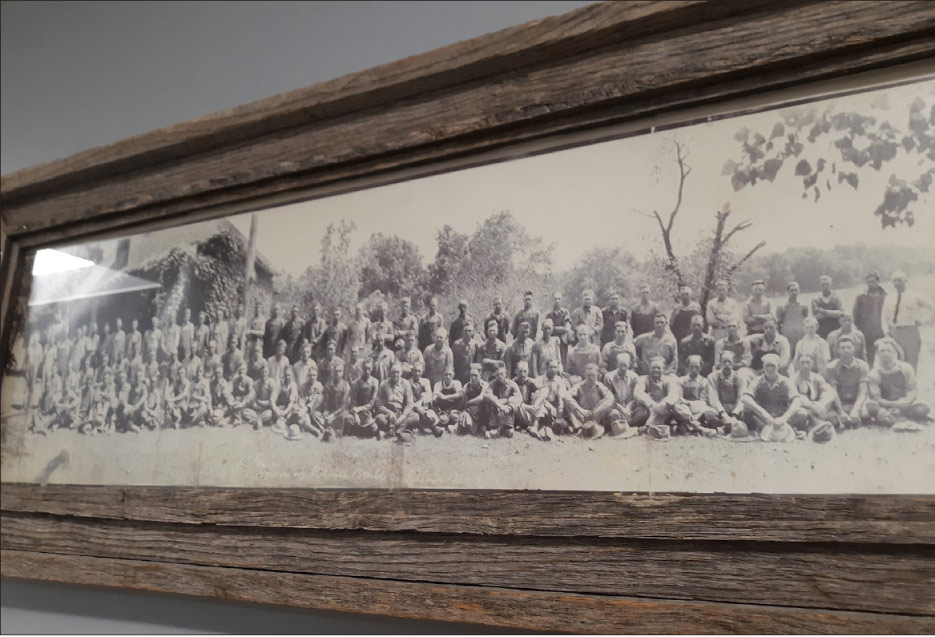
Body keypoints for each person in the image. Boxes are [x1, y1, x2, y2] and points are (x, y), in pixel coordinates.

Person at [865, 337, 931, 427]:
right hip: (886, 406)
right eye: (882, 351)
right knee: (882, 416)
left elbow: (912, 389)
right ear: (877, 353)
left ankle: (900, 417)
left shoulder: (905, 368)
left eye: (889, 350)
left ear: (894, 352)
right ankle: (903, 418)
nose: (886, 354)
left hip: (904, 403)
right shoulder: (874, 373)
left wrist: (906, 403)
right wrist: (894, 405)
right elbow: (876, 398)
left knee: (924, 407)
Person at [740, 353, 801, 439]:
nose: (770, 369)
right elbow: (745, 398)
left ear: (778, 366)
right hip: (763, 418)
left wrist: (784, 418)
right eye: (767, 366)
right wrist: (764, 414)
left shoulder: (786, 381)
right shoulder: (758, 380)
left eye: (773, 366)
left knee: (802, 413)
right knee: (746, 410)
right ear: (763, 367)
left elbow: (797, 401)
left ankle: (783, 428)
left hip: (782, 416)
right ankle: (762, 428)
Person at [882, 270, 933, 371]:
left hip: (911, 332)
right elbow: (884, 317)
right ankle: (900, 385)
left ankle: (912, 385)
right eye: (894, 281)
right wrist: (886, 333)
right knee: (896, 361)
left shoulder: (915, 295)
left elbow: (932, 306)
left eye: (899, 280)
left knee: (911, 362)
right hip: (895, 333)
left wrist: (925, 321)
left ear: (906, 281)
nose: (896, 283)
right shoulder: (889, 297)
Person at [823, 335, 871, 430]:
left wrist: (856, 409)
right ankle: (846, 417)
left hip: (856, 401)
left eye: (849, 347)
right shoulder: (831, 367)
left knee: (871, 409)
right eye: (843, 348)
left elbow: (863, 391)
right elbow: (833, 392)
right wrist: (840, 411)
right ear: (838, 350)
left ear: (854, 348)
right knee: (830, 417)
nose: (846, 350)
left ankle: (855, 416)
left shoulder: (863, 365)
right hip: (841, 402)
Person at [787, 352, 837, 441]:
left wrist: (821, 404)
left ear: (812, 364)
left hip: (816, 408)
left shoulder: (817, 377)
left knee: (833, 417)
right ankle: (812, 427)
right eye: (802, 362)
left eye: (808, 362)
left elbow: (829, 392)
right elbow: (795, 397)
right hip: (801, 408)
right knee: (802, 414)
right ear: (797, 364)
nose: (805, 365)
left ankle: (815, 427)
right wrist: (810, 405)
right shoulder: (792, 380)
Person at [632, 356, 684, 437]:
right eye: (653, 368)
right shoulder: (643, 379)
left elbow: (673, 393)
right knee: (643, 414)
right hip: (648, 408)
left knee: (678, 409)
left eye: (658, 368)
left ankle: (647, 427)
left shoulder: (669, 380)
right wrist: (652, 404)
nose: (656, 370)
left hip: (664, 409)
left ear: (663, 369)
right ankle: (658, 426)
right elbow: (638, 393)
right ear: (649, 369)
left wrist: (664, 403)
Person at [566, 363, 615, 439]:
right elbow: (566, 396)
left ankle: (594, 427)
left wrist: (597, 411)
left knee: (614, 413)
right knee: (569, 405)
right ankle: (580, 427)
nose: (591, 378)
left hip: (597, 415)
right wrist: (581, 410)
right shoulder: (579, 386)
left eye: (593, 375)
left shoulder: (599, 386)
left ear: (598, 375)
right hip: (582, 415)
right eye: (589, 375)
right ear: (584, 375)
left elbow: (610, 398)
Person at [705, 350, 746, 434]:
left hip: (735, 410)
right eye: (724, 362)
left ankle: (723, 429)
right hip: (720, 410)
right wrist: (724, 415)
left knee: (748, 414)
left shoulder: (740, 377)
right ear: (720, 363)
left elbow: (741, 398)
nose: (727, 365)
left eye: (729, 362)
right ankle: (732, 426)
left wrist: (735, 415)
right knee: (709, 414)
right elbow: (714, 399)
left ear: (734, 363)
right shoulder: (712, 377)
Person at [374, 363, 419, 439]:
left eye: (398, 372)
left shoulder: (406, 384)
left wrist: (403, 416)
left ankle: (394, 430)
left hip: (401, 412)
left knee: (416, 417)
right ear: (390, 373)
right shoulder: (383, 385)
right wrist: (389, 413)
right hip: (388, 414)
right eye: (393, 372)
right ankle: (401, 429)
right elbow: (379, 404)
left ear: (401, 373)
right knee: (379, 418)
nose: (395, 374)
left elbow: (409, 403)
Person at [677, 355, 720, 435]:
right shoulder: (681, 380)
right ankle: (700, 428)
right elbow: (679, 398)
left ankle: (689, 426)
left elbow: (703, 400)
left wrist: (689, 403)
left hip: (699, 409)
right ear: (687, 367)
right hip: (685, 409)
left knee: (710, 413)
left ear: (701, 368)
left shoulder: (704, 382)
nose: (694, 370)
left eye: (697, 367)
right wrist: (685, 404)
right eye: (691, 367)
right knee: (677, 407)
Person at [853, 269, 887, 366]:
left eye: (873, 281)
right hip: (866, 334)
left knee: (884, 355)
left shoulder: (886, 295)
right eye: (868, 282)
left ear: (878, 281)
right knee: (868, 358)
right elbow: (856, 316)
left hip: (883, 332)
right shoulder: (861, 297)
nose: (870, 284)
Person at [483, 362, 522, 438]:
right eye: (497, 375)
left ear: (505, 374)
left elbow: (518, 398)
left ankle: (500, 429)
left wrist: (508, 406)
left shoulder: (512, 384)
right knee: (490, 401)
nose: (500, 376)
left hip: (509, 413)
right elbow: (487, 395)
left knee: (512, 401)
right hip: (495, 411)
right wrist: (499, 404)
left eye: (502, 374)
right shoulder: (492, 384)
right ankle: (497, 429)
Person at [603, 351, 640, 431]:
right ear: (616, 364)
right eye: (621, 365)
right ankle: (624, 425)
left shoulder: (634, 377)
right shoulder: (609, 377)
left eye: (625, 365)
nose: (623, 368)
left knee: (642, 412)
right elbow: (609, 398)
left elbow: (634, 396)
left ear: (629, 364)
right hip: (615, 407)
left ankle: (624, 425)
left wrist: (628, 408)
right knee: (613, 414)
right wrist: (621, 409)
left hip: (630, 408)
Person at [348, 357, 381, 438]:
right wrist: (355, 414)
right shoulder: (355, 383)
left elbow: (372, 403)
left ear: (372, 369)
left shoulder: (375, 382)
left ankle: (361, 431)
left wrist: (359, 409)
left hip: (368, 412)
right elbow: (353, 402)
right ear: (362, 369)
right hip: (357, 413)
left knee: (374, 427)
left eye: (369, 369)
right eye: (365, 368)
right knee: (348, 421)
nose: (367, 371)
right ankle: (359, 431)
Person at [320, 359, 353, 441]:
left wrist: (333, 415)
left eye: (339, 371)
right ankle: (326, 429)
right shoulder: (328, 384)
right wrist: (326, 412)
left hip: (340, 412)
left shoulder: (346, 385)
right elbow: (326, 401)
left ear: (342, 373)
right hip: (330, 411)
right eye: (336, 371)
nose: (337, 373)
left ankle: (333, 429)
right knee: (316, 415)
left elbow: (343, 406)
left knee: (346, 418)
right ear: (333, 372)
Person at [408, 361, 442, 436]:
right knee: (414, 417)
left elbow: (429, 396)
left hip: (424, 408)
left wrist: (420, 403)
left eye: (419, 371)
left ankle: (428, 427)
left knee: (430, 416)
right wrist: (416, 407)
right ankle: (425, 427)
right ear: (412, 371)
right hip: (412, 409)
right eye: (415, 371)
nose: (417, 373)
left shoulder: (426, 382)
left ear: (422, 372)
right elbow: (407, 399)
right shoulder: (407, 383)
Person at [775, 281, 809, 354]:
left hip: (800, 334)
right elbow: (778, 322)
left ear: (799, 291)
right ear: (788, 292)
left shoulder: (804, 305)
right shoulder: (782, 306)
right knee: (788, 354)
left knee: (802, 354)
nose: (794, 292)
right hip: (787, 335)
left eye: (796, 290)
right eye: (792, 290)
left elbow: (807, 320)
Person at [511, 360, 540, 437]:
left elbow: (544, 390)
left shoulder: (530, 381)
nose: (523, 374)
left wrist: (536, 404)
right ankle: (529, 425)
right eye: (520, 371)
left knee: (539, 396)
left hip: (531, 409)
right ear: (515, 371)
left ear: (528, 371)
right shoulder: (512, 383)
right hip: (519, 410)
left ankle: (535, 425)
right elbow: (513, 401)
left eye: (525, 371)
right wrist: (528, 407)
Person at [244, 362, 277, 431]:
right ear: (260, 373)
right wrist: (254, 404)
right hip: (257, 410)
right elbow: (253, 397)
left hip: (267, 409)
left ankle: (254, 421)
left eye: (265, 372)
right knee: (245, 412)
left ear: (268, 373)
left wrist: (261, 402)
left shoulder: (272, 383)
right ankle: (260, 421)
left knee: (269, 414)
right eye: (262, 372)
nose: (264, 374)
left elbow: (272, 400)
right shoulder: (256, 383)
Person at [812, 275, 846, 340]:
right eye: (823, 284)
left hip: (836, 329)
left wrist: (823, 311)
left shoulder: (837, 297)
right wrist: (833, 313)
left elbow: (841, 313)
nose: (825, 286)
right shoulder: (815, 299)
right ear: (820, 285)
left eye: (827, 284)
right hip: (821, 330)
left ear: (831, 284)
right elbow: (816, 316)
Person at [460, 363, 489, 436]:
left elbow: (481, 398)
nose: (473, 378)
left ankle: (485, 426)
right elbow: (464, 402)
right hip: (472, 412)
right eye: (471, 375)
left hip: (484, 412)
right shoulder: (467, 386)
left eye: (475, 375)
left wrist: (469, 402)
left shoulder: (485, 385)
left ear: (480, 374)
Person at [432, 366, 464, 431]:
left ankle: (453, 425)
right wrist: (439, 397)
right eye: (446, 374)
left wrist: (445, 397)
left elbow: (460, 394)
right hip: (442, 408)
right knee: (441, 418)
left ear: (453, 375)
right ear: (443, 375)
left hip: (453, 408)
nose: (448, 377)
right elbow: (434, 398)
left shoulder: (456, 383)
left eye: (450, 374)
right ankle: (443, 423)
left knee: (454, 416)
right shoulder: (438, 384)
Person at [270, 365, 300, 436]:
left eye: (289, 375)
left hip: (288, 409)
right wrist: (276, 410)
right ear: (283, 374)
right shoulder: (278, 383)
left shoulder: (293, 385)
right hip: (279, 408)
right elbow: (272, 399)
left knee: (295, 411)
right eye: (286, 375)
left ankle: (286, 422)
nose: (287, 377)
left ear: (292, 375)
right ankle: (279, 422)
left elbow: (291, 402)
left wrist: (284, 412)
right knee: (271, 413)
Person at [545, 292, 573, 365]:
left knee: (563, 360)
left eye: (559, 299)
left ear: (562, 300)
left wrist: (553, 328)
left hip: (563, 341)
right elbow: (547, 329)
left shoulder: (565, 312)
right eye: (555, 299)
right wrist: (561, 328)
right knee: (552, 361)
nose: (557, 301)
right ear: (552, 300)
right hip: (552, 341)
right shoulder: (549, 314)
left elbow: (567, 328)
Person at [228, 361, 256, 428]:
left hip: (246, 403)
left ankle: (236, 418)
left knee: (240, 400)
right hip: (236, 402)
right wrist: (231, 400)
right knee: (237, 398)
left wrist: (243, 403)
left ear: (246, 370)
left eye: (243, 369)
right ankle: (238, 418)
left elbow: (251, 393)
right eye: (240, 369)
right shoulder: (234, 379)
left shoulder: (249, 380)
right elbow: (229, 390)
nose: (241, 371)